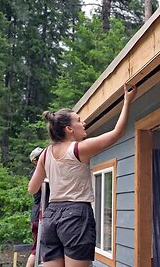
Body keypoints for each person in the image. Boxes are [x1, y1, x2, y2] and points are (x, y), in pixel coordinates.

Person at [28, 84, 137, 267]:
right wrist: (127, 102)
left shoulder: (45, 153)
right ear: (69, 129)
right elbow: (117, 133)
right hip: (75, 215)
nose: (83, 123)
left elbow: (32, 188)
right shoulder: (79, 149)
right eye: (79, 120)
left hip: (50, 217)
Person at [26, 147, 49, 267]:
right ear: (35, 161)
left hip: (41, 215)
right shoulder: (38, 175)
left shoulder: (41, 173)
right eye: (41, 156)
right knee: (39, 249)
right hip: (39, 216)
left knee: (41, 248)